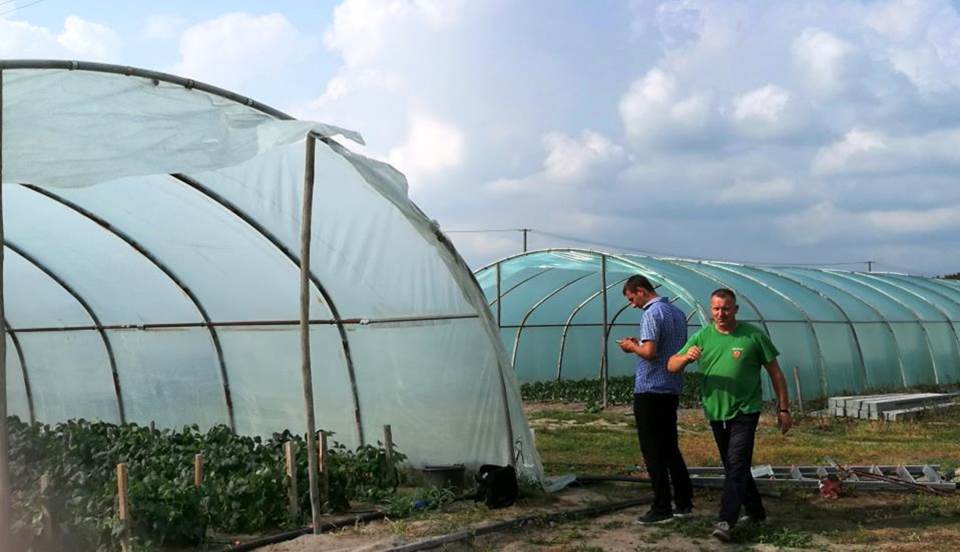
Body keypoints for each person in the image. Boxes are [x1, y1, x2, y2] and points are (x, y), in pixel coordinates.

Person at [668, 288, 792, 543]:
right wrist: (685, 359)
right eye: (716, 308)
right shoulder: (703, 336)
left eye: (726, 308)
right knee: (734, 465)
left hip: (746, 410)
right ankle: (756, 512)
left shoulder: (753, 336)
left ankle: (726, 520)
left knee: (735, 464)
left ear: (735, 309)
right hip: (716, 411)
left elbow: (776, 374)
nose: (721, 313)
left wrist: (783, 409)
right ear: (710, 310)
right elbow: (671, 365)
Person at [617, 275, 693, 524]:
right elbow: (667, 350)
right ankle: (683, 501)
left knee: (652, 450)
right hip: (671, 388)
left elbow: (649, 353)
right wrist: (642, 344)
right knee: (670, 447)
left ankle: (661, 507)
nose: (632, 305)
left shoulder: (651, 313)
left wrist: (631, 347)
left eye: (631, 299)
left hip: (650, 389)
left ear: (640, 291)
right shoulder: (678, 313)